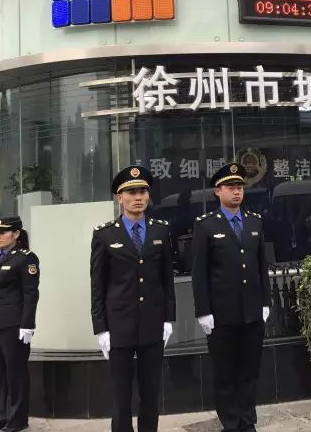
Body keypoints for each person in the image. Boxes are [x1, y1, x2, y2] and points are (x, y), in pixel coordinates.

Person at [90, 165, 176, 432]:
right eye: (130, 192)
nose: (137, 197)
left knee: (150, 393)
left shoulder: (160, 230)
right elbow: (97, 285)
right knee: (121, 394)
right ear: (120, 197)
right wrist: (101, 328)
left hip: (152, 322)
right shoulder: (104, 234)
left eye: (142, 191)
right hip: (119, 326)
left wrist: (169, 318)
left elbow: (166, 278)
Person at [192, 162, 271, 432]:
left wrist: (265, 302)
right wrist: (203, 311)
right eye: (230, 187)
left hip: (251, 312)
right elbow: (199, 273)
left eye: (239, 187)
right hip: (221, 315)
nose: (236, 192)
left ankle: (247, 422)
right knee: (225, 374)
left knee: (249, 371)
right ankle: (231, 424)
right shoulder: (205, 225)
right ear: (217, 191)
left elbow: (261, 266)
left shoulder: (254, 221)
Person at [0, 216, 39, 432]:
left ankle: (17, 420)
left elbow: (31, 294)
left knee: (15, 374)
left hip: (13, 326)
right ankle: (1, 417)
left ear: (16, 234)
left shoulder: (25, 258)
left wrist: (28, 324)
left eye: (2, 232)